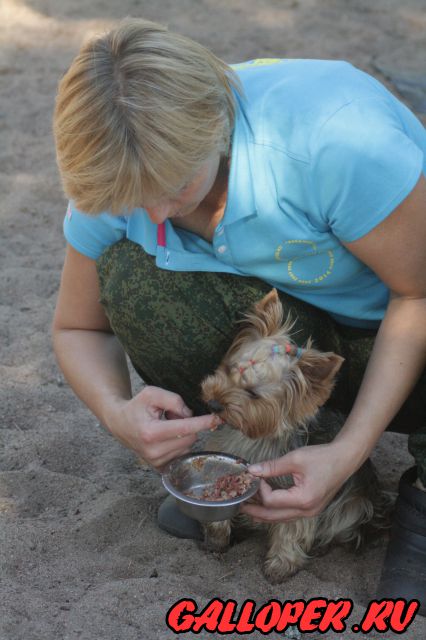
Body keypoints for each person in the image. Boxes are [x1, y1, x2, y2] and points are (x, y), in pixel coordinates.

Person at [52, 18, 426, 610]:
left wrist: (348, 453)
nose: (151, 208)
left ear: (213, 125)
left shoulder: (336, 140)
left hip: (401, 326)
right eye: (131, 196)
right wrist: (116, 411)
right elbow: (77, 327)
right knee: (128, 275)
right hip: (293, 345)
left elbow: (419, 294)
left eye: (172, 185)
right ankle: (238, 459)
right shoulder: (119, 168)